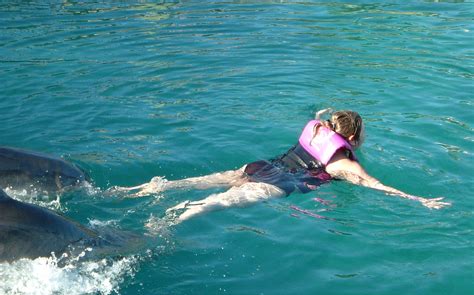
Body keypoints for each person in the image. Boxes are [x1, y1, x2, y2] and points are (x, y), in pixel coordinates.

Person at [115, 108, 450, 221]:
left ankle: (132, 191)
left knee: (188, 183)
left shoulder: (316, 129)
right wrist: (419, 199)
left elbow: (321, 114)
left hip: (257, 166)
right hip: (276, 184)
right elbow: (376, 185)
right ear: (354, 139)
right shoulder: (342, 162)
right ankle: (164, 224)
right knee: (204, 207)